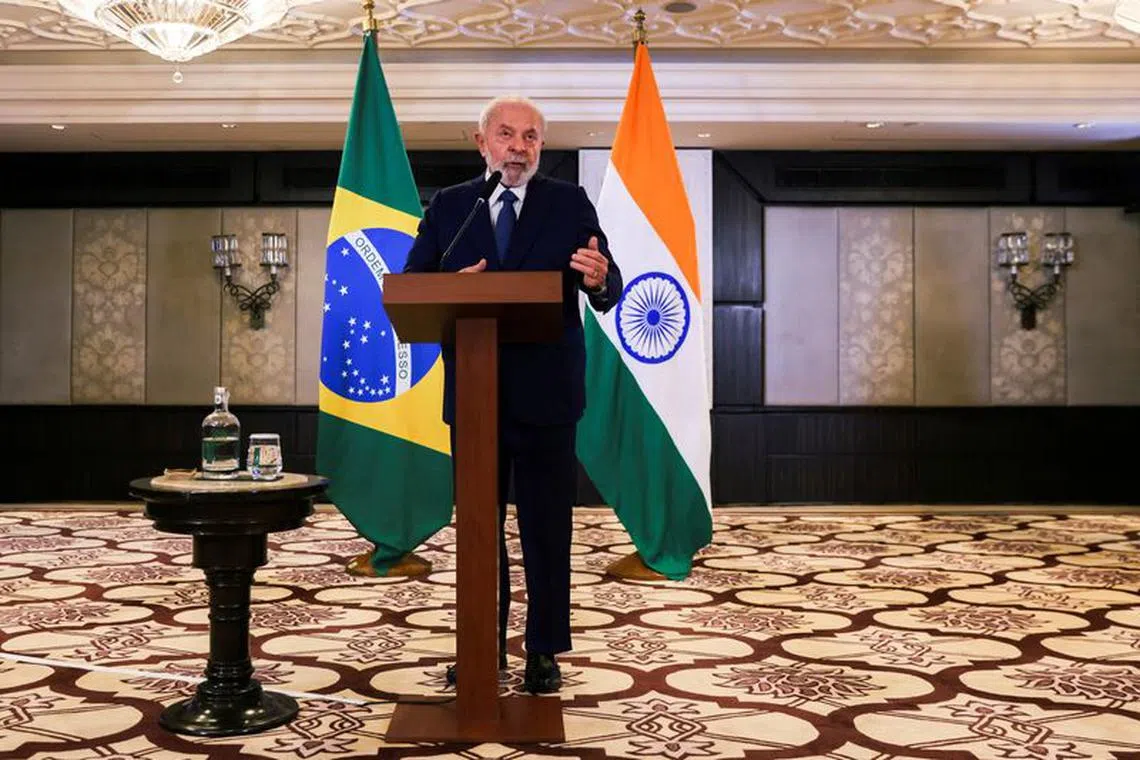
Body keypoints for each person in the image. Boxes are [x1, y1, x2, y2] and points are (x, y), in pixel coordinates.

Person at [403, 95, 622, 693]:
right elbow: (413, 284)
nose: (518, 147)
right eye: (506, 135)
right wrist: (451, 286)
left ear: (540, 148)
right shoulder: (453, 207)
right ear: (482, 144)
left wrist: (601, 281)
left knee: (546, 530)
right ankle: (483, 646)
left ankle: (544, 651)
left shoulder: (567, 201)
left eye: (530, 137)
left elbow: (605, 278)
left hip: (549, 396)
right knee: (479, 528)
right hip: (476, 400)